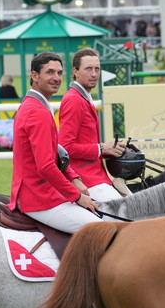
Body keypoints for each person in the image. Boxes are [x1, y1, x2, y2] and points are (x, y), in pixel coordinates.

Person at [9, 52, 99, 233]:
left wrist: (73, 177)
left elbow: (56, 151)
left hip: (39, 192)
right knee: (101, 229)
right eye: (50, 72)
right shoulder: (38, 111)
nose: (56, 78)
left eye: (59, 73)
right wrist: (77, 196)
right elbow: (46, 166)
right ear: (35, 76)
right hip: (39, 196)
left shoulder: (34, 105)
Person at [58, 48, 127, 202]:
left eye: (97, 69)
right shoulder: (74, 100)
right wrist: (102, 148)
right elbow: (65, 147)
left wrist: (113, 149)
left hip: (97, 176)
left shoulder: (83, 97)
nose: (94, 74)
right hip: (86, 180)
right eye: (88, 69)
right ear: (75, 71)